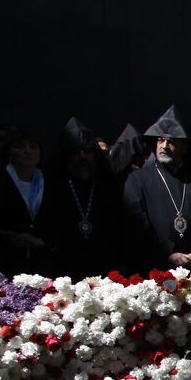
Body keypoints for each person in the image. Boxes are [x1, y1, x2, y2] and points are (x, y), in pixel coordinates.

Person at [120, 106, 191, 273]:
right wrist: (168, 252)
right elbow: (137, 223)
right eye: (160, 140)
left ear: (184, 147)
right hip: (153, 268)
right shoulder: (137, 180)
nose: (164, 146)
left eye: (171, 141)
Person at [47, 118, 124, 278]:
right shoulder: (53, 185)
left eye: (87, 151)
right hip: (65, 262)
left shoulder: (108, 186)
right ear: (67, 155)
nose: (82, 156)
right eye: (76, 152)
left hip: (104, 261)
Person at [0, 129, 58, 275]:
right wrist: (8, 235)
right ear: (9, 152)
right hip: (6, 261)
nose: (27, 151)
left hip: (42, 263)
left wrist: (43, 241)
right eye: (20, 147)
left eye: (33, 147)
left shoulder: (50, 184)